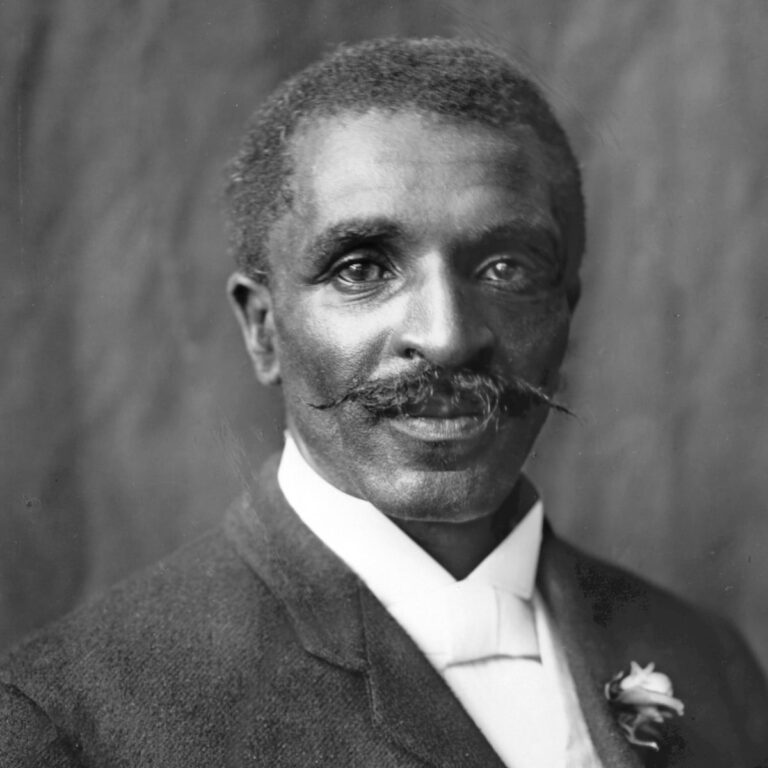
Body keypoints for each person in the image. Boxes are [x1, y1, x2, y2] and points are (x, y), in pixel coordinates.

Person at [1, 37, 766, 767]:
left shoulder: (712, 662)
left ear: (566, 310)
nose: (447, 337)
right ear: (263, 329)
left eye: (505, 268)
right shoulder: (63, 722)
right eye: (361, 268)